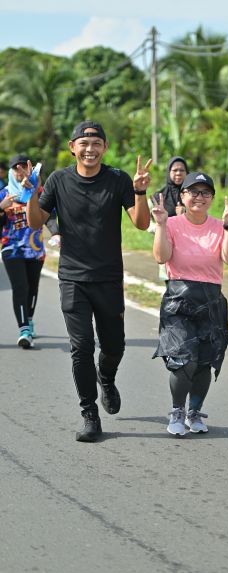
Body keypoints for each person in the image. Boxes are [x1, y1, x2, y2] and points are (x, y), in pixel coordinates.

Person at [26, 120, 152, 443]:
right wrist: (31, 194)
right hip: (73, 278)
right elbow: (36, 222)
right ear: (73, 147)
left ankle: (105, 377)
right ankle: (89, 414)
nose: (90, 149)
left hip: (108, 278)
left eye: (96, 143)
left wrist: (140, 191)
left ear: (104, 148)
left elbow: (141, 223)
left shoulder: (118, 179)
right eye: (84, 144)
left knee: (114, 346)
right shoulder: (58, 181)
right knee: (81, 347)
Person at [152, 171, 228, 436]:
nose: (199, 197)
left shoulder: (219, 226)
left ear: (211, 198)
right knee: (184, 359)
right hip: (178, 301)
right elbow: (161, 257)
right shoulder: (172, 223)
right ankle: (177, 410)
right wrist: (161, 225)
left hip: (211, 301)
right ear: (183, 195)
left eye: (205, 193)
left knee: (203, 362)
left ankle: (194, 412)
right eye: (194, 192)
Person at [0, 154, 58, 348]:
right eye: (15, 168)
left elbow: (49, 216)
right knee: (21, 287)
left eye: (23, 167)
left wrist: (56, 233)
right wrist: (1, 208)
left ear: (30, 169)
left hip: (35, 249)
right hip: (11, 249)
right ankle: (24, 329)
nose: (20, 171)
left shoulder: (39, 193)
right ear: (11, 172)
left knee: (33, 287)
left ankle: (29, 320)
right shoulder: (4, 194)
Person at [149, 156, 189, 282]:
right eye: (175, 170)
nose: (178, 173)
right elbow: (146, 223)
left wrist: (185, 214)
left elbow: (201, 218)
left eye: (182, 170)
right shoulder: (158, 197)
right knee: (171, 285)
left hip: (190, 247)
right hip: (167, 246)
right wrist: (161, 228)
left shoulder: (193, 196)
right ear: (168, 172)